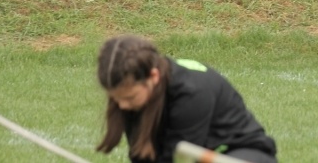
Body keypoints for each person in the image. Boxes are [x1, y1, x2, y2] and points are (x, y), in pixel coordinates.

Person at [96, 35, 278, 163]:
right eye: (115, 98)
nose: (122, 105)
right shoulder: (131, 99)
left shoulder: (191, 94)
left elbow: (180, 159)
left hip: (240, 154)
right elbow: (142, 157)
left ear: (153, 76)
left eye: (130, 97)